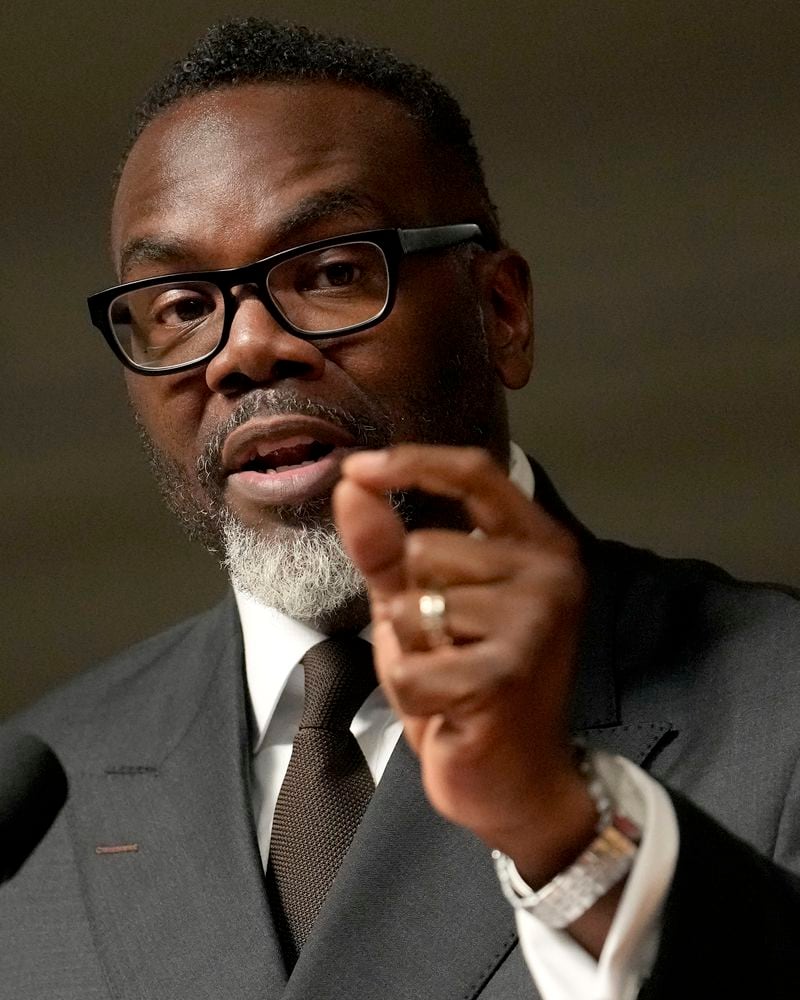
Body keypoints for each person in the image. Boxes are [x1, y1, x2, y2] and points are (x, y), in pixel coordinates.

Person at [2, 17, 800, 999]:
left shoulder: (781, 700)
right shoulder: (37, 795)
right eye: (179, 306)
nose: (243, 349)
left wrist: (559, 823)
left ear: (499, 313)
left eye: (332, 271)